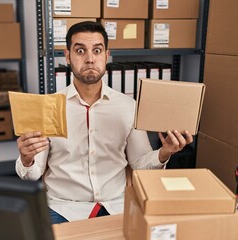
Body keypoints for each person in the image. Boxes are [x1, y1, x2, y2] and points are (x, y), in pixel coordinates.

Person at [15, 21, 193, 224]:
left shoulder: (128, 106)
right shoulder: (47, 107)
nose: (90, 59)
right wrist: (26, 159)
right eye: (80, 50)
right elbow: (31, 174)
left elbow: (139, 164)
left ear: (106, 55)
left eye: (97, 50)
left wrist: (165, 152)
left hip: (116, 205)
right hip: (63, 208)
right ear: (67, 56)